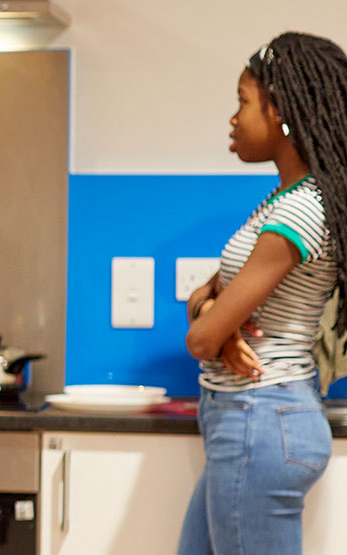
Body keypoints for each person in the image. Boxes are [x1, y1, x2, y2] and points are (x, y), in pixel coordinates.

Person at [178, 32, 347, 555]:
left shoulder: (300, 211)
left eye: (242, 102)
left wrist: (215, 328)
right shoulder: (286, 200)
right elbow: (204, 297)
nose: (233, 118)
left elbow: (201, 341)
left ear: (282, 111)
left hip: (259, 417)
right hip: (249, 417)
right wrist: (214, 317)